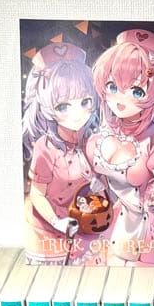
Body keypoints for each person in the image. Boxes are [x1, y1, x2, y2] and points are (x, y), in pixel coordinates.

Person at [89, 30, 154, 265]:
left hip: (152, 226)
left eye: (137, 91)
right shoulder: (103, 134)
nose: (121, 99)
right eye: (112, 86)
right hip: (115, 221)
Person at [22, 42, 102, 265]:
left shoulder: (91, 140)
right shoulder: (45, 148)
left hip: (83, 225)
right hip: (46, 230)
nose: (77, 114)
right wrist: (56, 221)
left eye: (85, 102)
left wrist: (98, 184)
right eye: (63, 106)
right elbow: (37, 194)